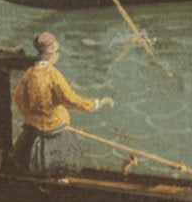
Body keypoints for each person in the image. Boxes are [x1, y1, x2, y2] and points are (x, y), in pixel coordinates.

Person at [11, 32, 115, 176]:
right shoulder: (53, 74)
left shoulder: (29, 73)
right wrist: (98, 103)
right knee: (67, 163)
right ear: (50, 52)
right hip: (55, 128)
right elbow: (71, 100)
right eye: (57, 52)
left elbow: (17, 98)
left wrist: (31, 115)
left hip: (33, 128)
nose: (58, 55)